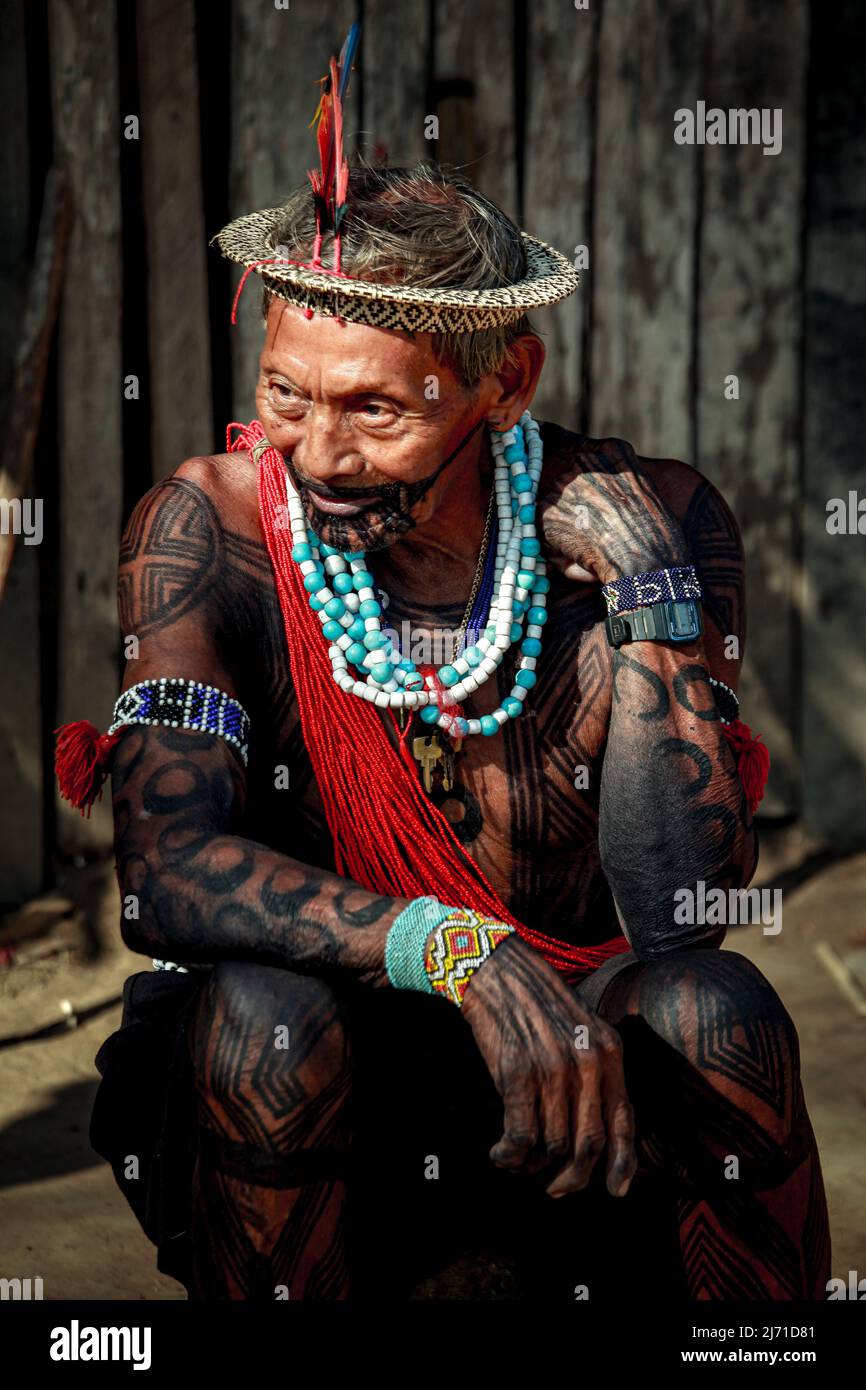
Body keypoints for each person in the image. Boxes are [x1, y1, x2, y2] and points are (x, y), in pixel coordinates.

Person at [59, 37, 829, 1299]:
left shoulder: (656, 521)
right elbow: (163, 873)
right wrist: (450, 947)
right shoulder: (211, 530)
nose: (316, 454)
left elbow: (684, 907)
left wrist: (647, 594)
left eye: (376, 410)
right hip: (329, 1064)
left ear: (502, 381)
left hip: (577, 1072)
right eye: (286, 395)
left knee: (719, 1010)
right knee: (259, 1023)